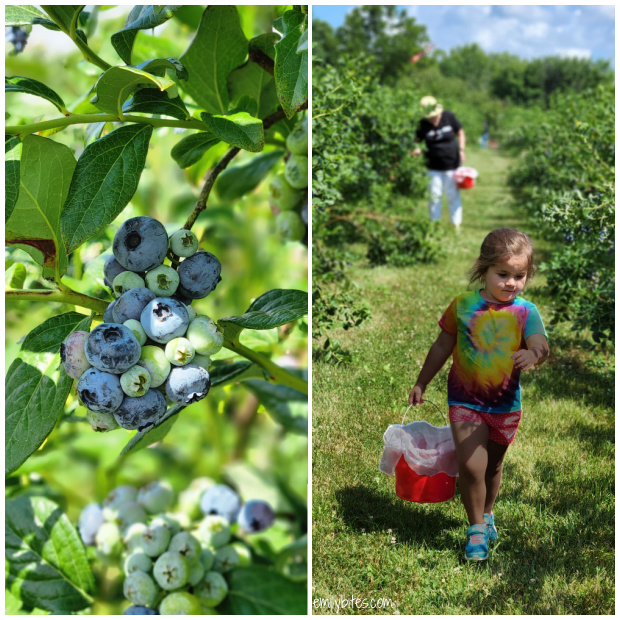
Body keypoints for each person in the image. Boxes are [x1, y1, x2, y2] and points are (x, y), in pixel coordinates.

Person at [408, 228, 549, 561]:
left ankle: (486, 514)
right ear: (483, 269)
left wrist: (534, 354)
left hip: (505, 404)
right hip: (464, 401)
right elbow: (442, 344)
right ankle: (475, 530)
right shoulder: (463, 306)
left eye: (520, 275)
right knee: (472, 467)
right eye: (503, 274)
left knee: (493, 467)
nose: (511, 282)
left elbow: (540, 342)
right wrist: (421, 382)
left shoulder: (526, 312)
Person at [412, 96, 466, 230]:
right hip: (432, 167)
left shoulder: (449, 117)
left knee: (453, 195)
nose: (433, 118)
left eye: (435, 115)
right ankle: (434, 225)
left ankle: (456, 225)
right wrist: (416, 149)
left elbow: (460, 132)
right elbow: (415, 141)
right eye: (430, 116)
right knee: (434, 197)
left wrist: (462, 150)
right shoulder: (422, 124)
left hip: (452, 165)